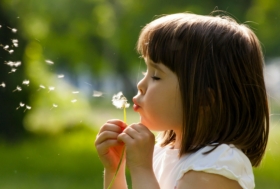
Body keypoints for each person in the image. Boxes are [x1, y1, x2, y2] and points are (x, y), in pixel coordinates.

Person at [95, 12, 269, 189]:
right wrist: (114, 170)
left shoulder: (215, 166)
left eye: (156, 76)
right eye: (145, 72)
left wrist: (141, 169)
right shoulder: (162, 152)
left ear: (204, 100)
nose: (140, 84)